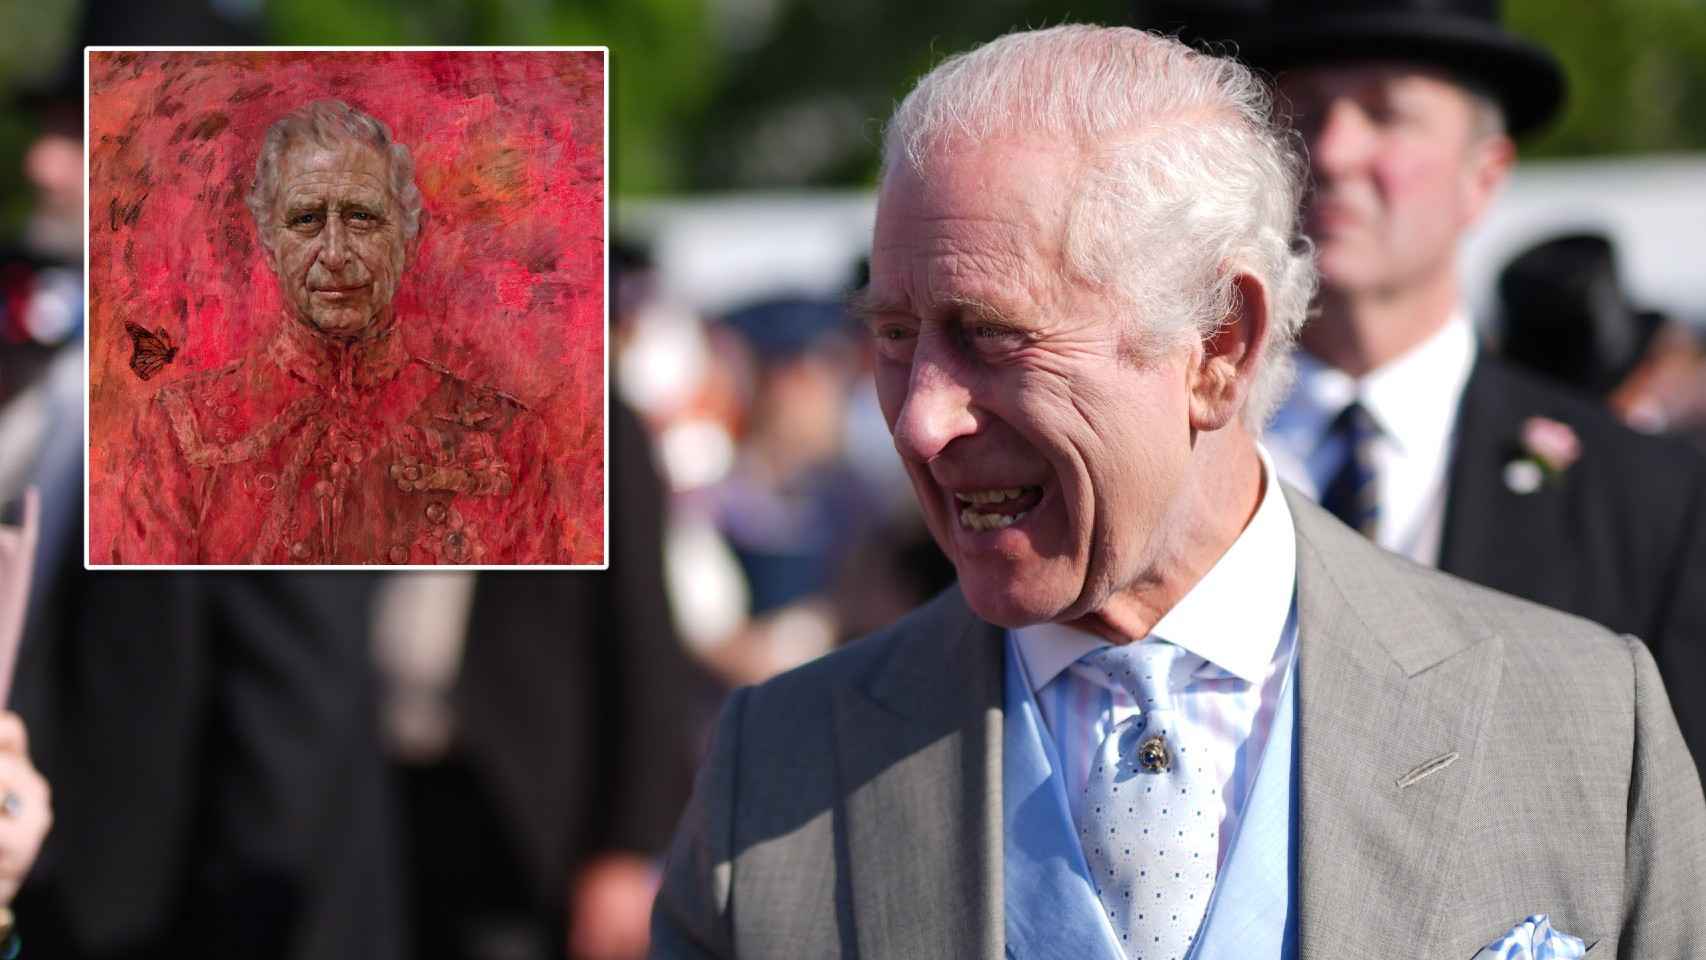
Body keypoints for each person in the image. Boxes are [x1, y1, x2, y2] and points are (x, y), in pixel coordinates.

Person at [650, 25, 1706, 958]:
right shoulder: (776, 777)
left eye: (992, 335)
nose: (921, 420)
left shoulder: (1581, 723)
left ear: (1217, 347)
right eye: (891, 337)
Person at [1239, 0, 1706, 775]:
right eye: (1305, 112)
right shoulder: (1164, 457)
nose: (1333, 149)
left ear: (1482, 176)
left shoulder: (1652, 502)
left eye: (1386, 114)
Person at [113, 98, 563, 564]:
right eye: (306, 220)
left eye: (361, 218)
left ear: (409, 239)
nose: (334, 253)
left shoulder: (508, 438)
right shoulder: (182, 429)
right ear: (269, 243)